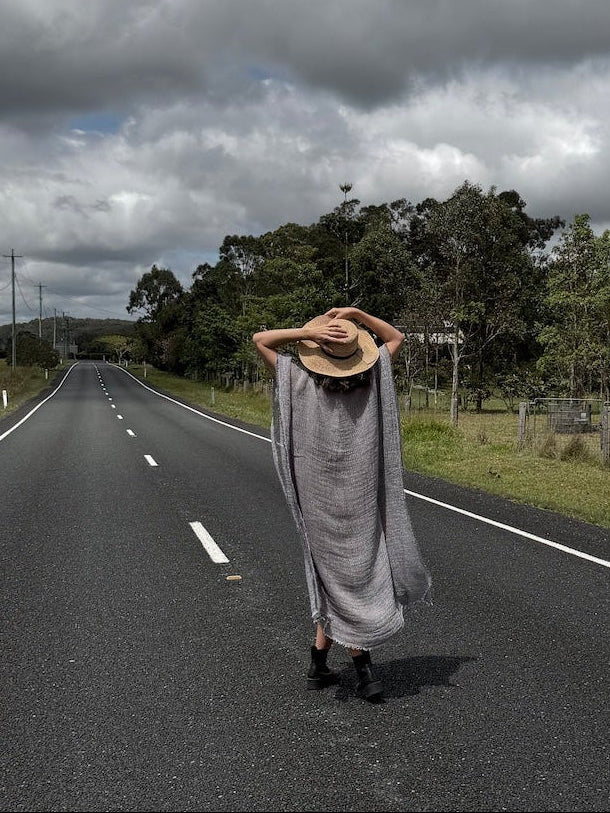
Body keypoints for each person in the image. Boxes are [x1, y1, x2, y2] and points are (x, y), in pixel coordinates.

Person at [252, 306, 432, 701]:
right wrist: (358, 314)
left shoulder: (297, 377)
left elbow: (260, 340)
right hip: (361, 492)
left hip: (317, 496)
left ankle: (319, 662)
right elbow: (396, 338)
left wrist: (305, 334)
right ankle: (362, 666)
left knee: (335, 575)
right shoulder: (373, 378)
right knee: (349, 572)